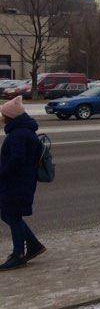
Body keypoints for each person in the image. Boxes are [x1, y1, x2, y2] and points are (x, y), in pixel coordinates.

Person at [0, 96, 46, 270]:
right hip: (22, 181)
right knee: (9, 214)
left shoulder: (18, 134)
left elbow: (17, 160)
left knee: (11, 215)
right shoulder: (24, 131)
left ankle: (19, 254)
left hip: (17, 182)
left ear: (11, 117)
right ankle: (33, 245)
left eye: (4, 115)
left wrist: (2, 173)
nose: (3, 118)